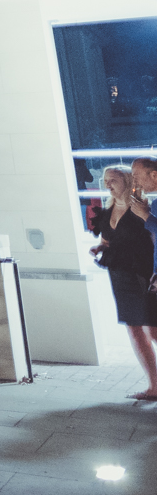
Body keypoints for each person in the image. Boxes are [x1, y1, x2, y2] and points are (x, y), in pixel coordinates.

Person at [90, 164, 157, 400]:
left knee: (154, 329)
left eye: (113, 180)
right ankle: (154, 386)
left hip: (143, 273)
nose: (107, 184)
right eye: (106, 180)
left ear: (127, 181)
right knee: (134, 327)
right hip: (119, 274)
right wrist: (100, 247)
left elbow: (153, 238)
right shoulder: (107, 211)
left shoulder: (142, 208)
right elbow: (109, 240)